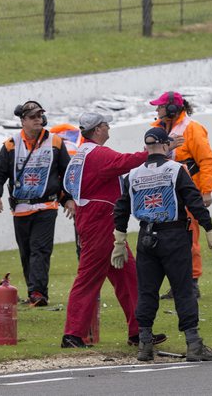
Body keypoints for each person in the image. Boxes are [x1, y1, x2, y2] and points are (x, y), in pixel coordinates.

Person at [60, 112, 170, 349]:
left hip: (96, 219)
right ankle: (72, 334)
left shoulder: (83, 153)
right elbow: (125, 161)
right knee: (90, 277)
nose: (109, 127)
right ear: (98, 129)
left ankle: (139, 331)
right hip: (100, 221)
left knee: (129, 276)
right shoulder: (97, 153)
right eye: (106, 124)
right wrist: (155, 152)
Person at [112, 126, 212, 362]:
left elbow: (121, 209)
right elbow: (194, 201)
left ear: (145, 148)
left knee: (146, 291)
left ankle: (145, 344)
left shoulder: (132, 174)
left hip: (145, 238)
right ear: (165, 146)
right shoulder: (176, 169)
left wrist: (119, 240)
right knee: (183, 289)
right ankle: (194, 344)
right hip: (174, 236)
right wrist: (209, 228)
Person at [0, 100, 75, 307]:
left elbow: (67, 173)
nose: (38, 120)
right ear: (23, 121)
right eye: (33, 117)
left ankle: (38, 292)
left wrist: (68, 199)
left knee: (40, 249)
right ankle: (33, 290)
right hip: (20, 208)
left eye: (40, 116)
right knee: (26, 251)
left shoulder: (55, 142)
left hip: (47, 207)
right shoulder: (11, 145)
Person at [150, 91, 212, 299]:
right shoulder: (156, 129)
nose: (157, 110)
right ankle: (178, 283)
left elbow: (206, 160)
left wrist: (206, 191)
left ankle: (192, 283)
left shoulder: (192, 129)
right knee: (168, 240)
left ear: (172, 108)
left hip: (187, 192)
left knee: (190, 239)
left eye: (160, 107)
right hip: (164, 193)